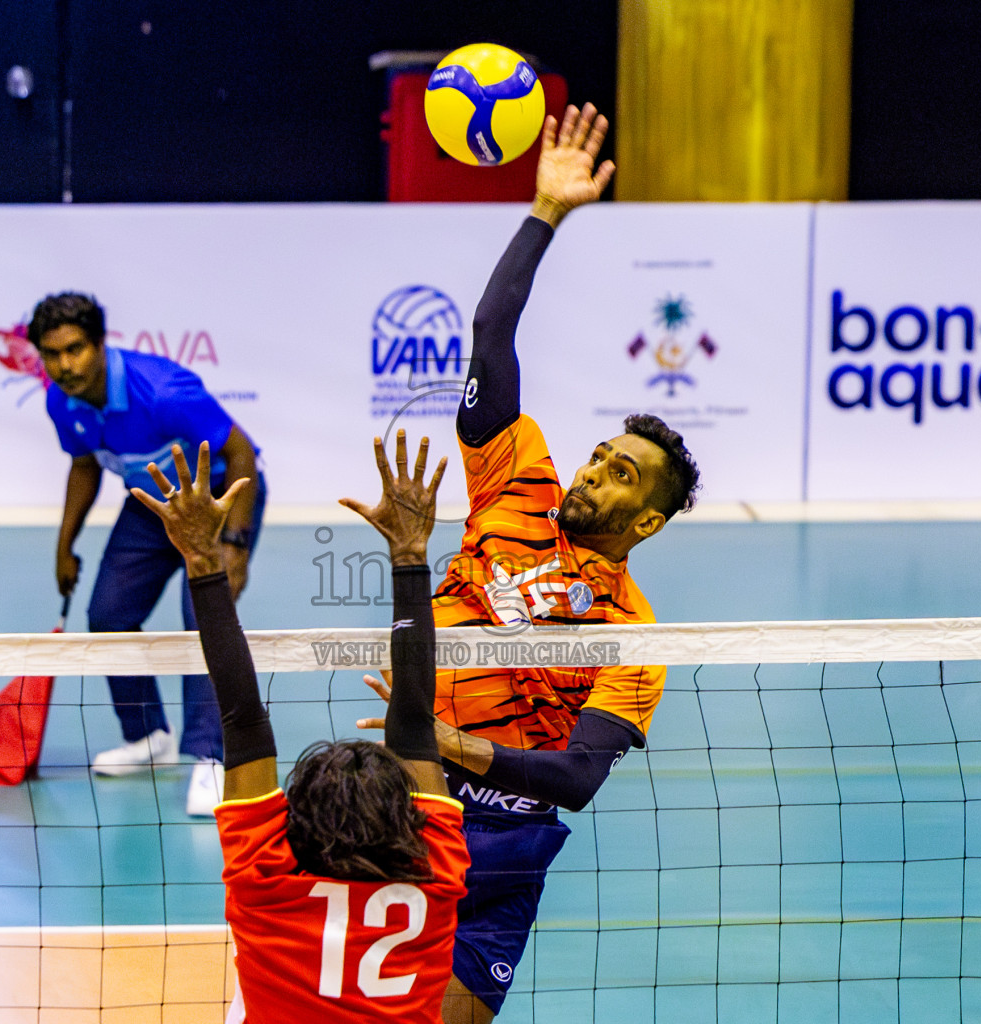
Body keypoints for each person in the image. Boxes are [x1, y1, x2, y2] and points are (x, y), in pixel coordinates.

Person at [359, 103, 702, 1022]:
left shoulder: (632, 633)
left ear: (652, 520)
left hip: (507, 842)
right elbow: (492, 331)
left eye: (621, 474)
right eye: (599, 455)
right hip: (410, 799)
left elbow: (577, 780)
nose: (593, 472)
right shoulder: (519, 483)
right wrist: (547, 209)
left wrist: (462, 743)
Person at [131, 434, 468, 1023]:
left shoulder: (266, 875)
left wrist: (202, 560)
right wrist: (412, 552)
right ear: (405, 815)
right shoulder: (435, 871)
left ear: (296, 822)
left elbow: (239, 717)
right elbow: (415, 724)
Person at [29, 292, 265, 816]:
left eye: (74, 350)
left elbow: (242, 451)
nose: (64, 365)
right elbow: (86, 466)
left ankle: (211, 757)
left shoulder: (160, 392)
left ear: (99, 345)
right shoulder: (60, 401)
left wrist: (236, 544)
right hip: (151, 505)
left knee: (204, 620)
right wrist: (64, 545)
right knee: (109, 615)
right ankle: (149, 737)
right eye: (52, 354)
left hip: (215, 499)